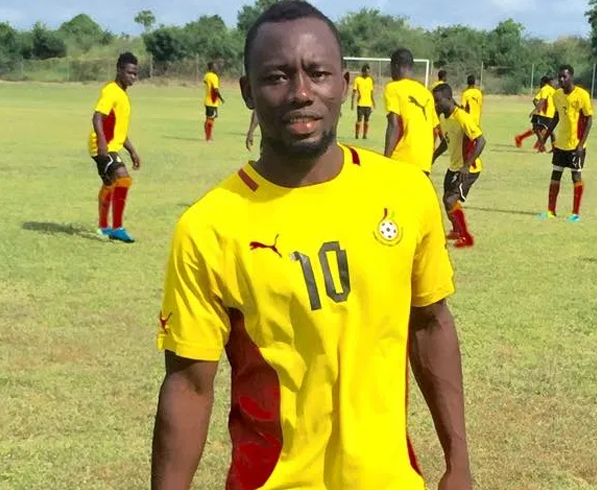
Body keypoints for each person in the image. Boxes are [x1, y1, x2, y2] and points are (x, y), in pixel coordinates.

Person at [151, 2, 473, 490]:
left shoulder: (405, 194)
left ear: (344, 85)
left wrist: (459, 462)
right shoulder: (208, 226)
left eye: (317, 73)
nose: (301, 93)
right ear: (248, 93)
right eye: (277, 77)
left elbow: (431, 325)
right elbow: (189, 385)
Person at [88, 52, 141, 243]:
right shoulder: (111, 91)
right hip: (103, 146)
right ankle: (117, 228)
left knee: (110, 184)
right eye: (129, 73)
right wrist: (102, 143)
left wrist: (132, 150)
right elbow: (97, 117)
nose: (132, 77)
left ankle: (103, 227)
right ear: (119, 70)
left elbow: (119, 129)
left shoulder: (123, 95)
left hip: (111, 145)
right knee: (123, 178)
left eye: (135, 74)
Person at [432, 83, 485, 248]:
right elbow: (446, 142)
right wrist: (433, 156)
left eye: (438, 101)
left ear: (448, 99)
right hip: (454, 166)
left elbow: (481, 141)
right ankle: (456, 230)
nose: (436, 105)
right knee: (446, 199)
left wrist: (466, 165)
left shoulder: (462, 116)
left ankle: (465, 235)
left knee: (450, 200)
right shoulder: (444, 118)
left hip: (469, 168)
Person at [538, 65, 594, 222]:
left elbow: (589, 120)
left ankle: (575, 213)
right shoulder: (557, 95)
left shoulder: (582, 95)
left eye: (564, 76)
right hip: (560, 144)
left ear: (572, 77)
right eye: (559, 77)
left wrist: (581, 144)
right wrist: (545, 136)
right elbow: (556, 117)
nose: (561, 79)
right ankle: (550, 211)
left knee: (576, 176)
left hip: (575, 145)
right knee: (555, 175)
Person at [383, 48, 440, 175]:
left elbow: (394, 125)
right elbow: (435, 130)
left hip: (403, 159)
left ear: (396, 66)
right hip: (424, 162)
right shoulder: (426, 93)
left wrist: (386, 159)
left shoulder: (393, 87)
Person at [515, 76, 556, 152]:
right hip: (551, 113)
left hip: (543, 113)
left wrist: (536, 109)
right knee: (549, 131)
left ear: (544, 82)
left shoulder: (544, 89)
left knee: (537, 129)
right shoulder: (553, 90)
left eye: (541, 82)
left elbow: (538, 100)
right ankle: (553, 148)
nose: (540, 84)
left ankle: (541, 147)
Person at [350, 63, 375, 139]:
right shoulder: (357, 80)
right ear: (363, 72)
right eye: (367, 72)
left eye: (369, 72)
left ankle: (365, 135)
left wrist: (373, 102)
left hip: (368, 104)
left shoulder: (370, 80)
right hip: (360, 104)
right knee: (359, 120)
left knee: (367, 121)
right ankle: (357, 134)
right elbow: (354, 91)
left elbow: (371, 92)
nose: (368, 73)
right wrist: (352, 103)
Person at [203, 61, 224, 142]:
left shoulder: (206, 76)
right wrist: (221, 98)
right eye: (215, 67)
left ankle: (209, 136)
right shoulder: (214, 77)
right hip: (212, 101)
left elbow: (206, 82)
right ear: (212, 68)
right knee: (210, 120)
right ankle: (208, 138)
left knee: (209, 119)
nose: (217, 68)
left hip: (207, 100)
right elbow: (215, 89)